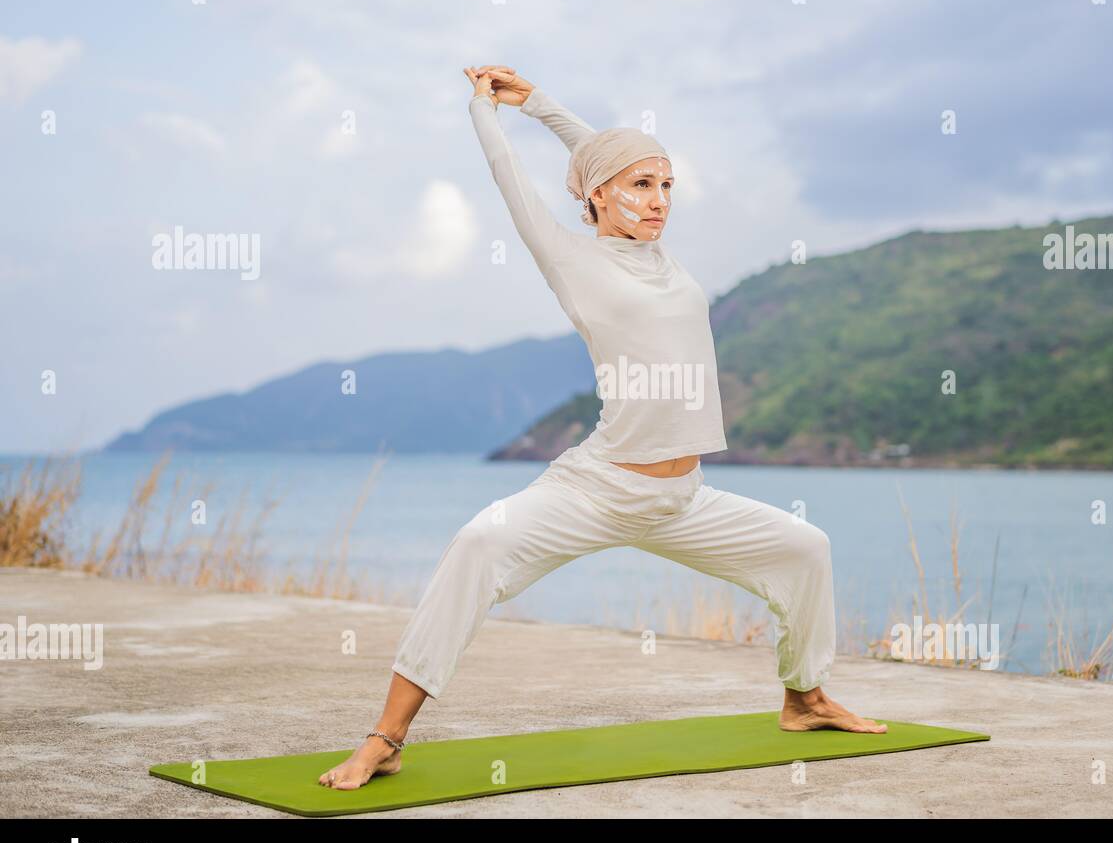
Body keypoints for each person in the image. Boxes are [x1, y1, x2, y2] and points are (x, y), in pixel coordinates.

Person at [318, 65, 886, 791]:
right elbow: (521, 173)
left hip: (683, 499)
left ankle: (804, 699)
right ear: (596, 196)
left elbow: (605, 156)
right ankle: (386, 737)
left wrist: (543, 104)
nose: (659, 202)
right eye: (642, 187)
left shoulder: (659, 256)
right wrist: (489, 112)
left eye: (667, 186)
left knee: (807, 549)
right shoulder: (571, 256)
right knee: (478, 545)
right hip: (602, 487)